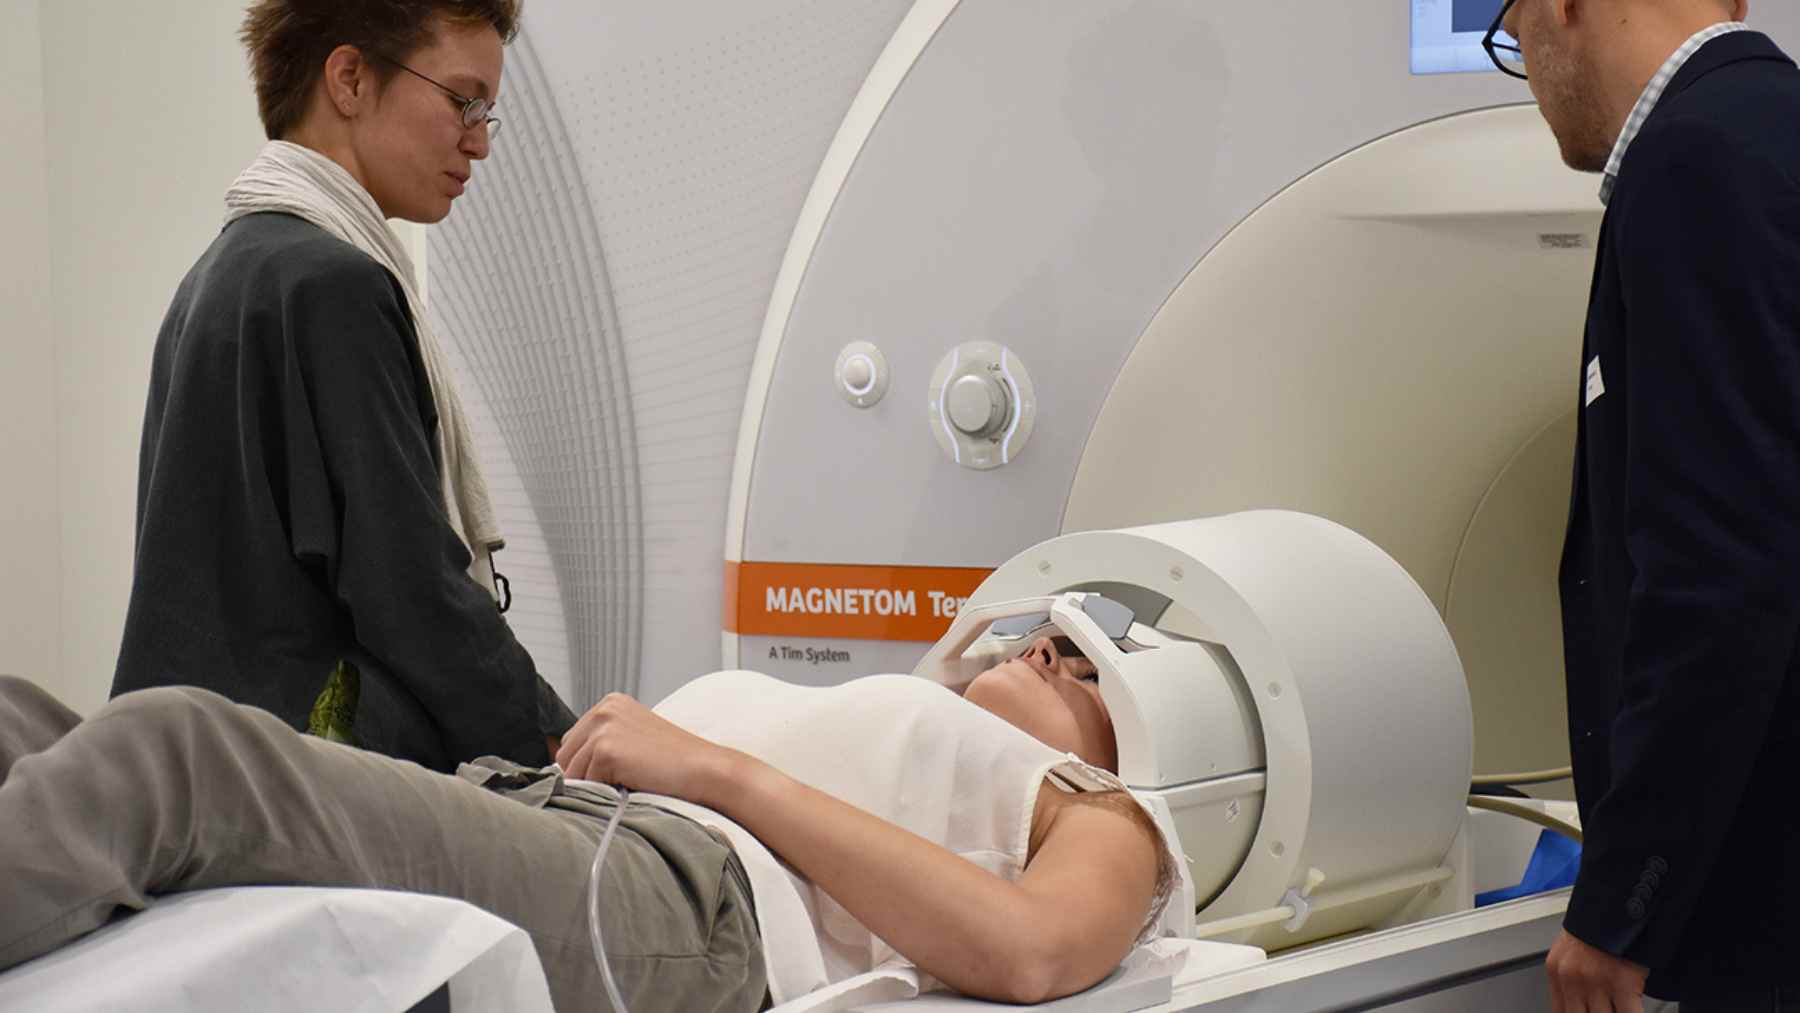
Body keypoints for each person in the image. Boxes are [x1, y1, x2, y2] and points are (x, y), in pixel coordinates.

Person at [0, 636, 1176, 1011]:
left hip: (688, 895)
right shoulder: (898, 691)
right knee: (19, 713)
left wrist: (717, 770)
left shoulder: (1107, 811)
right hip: (547, 805)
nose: (1047, 645)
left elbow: (1033, 951)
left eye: (1083, 664)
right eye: (1048, 629)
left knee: (183, 755)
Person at [111, 0, 577, 772]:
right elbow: (409, 592)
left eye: (489, 112)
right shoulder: (332, 286)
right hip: (298, 795)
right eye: (465, 101)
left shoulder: (224, 273)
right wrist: (561, 746)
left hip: (190, 780)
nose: (480, 141)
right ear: (351, 78)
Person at [1489, 1, 1800, 1009]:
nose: (1527, 75)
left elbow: (1724, 567)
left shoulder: (1694, 159)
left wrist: (1622, 904)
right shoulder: (1775, 122)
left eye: (1511, 34)